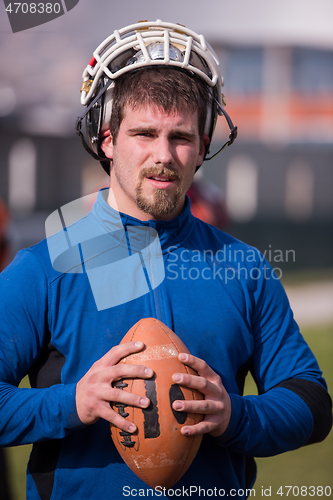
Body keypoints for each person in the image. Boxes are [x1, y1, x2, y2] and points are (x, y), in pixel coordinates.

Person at [0, 20, 331, 500]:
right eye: (144, 134)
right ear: (107, 140)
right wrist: (72, 402)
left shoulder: (243, 268)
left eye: (180, 137)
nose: (164, 155)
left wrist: (235, 415)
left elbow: (312, 404)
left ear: (202, 148)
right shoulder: (43, 269)